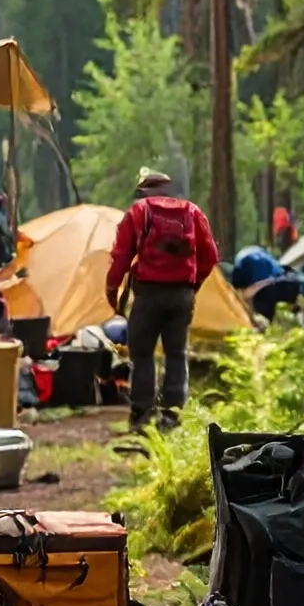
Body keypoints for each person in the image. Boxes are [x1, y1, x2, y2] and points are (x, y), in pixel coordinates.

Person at [104, 168, 220, 429]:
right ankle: (172, 416)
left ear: (144, 190)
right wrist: (193, 284)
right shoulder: (192, 212)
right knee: (176, 354)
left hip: (148, 293)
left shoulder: (139, 212)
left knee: (142, 354)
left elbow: (121, 256)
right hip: (182, 294)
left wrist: (112, 290)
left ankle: (142, 414)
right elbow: (210, 256)